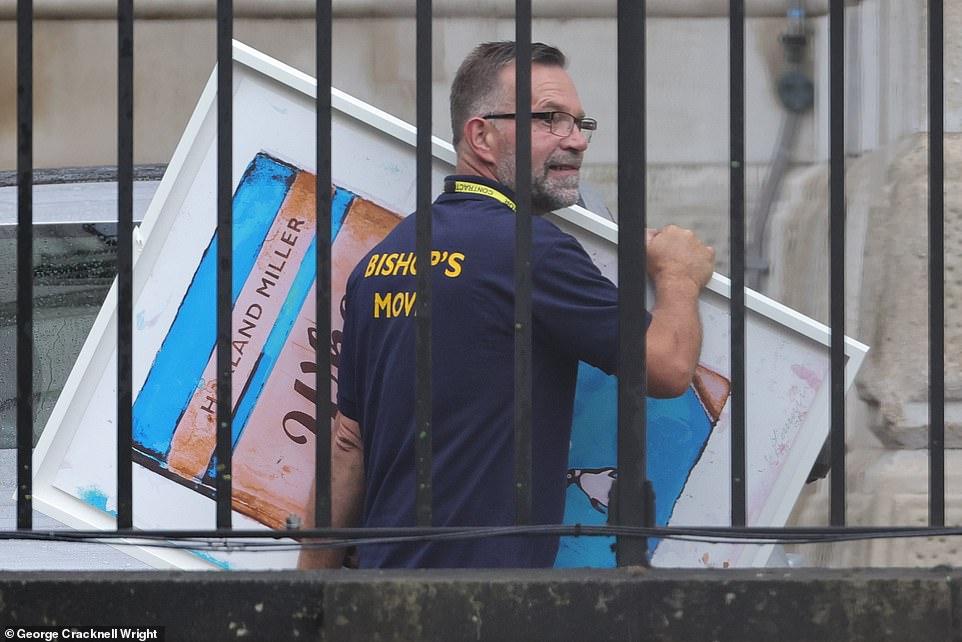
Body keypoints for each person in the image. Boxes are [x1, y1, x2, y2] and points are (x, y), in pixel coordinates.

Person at [299, 41, 715, 569]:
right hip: (483, 606)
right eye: (549, 119)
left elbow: (346, 445)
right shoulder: (530, 250)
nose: (576, 141)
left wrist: (309, 605)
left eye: (579, 124)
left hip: (381, 600)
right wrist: (677, 274)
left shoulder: (384, 258)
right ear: (482, 135)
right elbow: (670, 366)